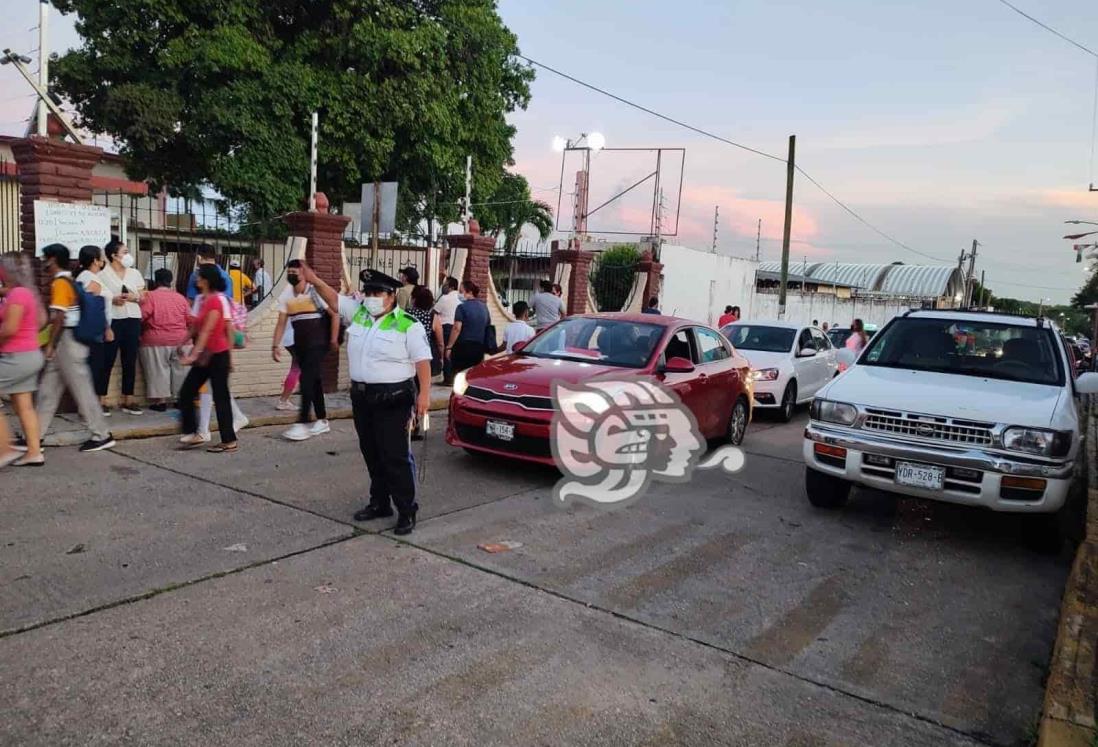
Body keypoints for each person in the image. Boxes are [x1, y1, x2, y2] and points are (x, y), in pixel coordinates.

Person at [301, 263, 431, 534]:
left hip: (394, 400)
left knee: (395, 456)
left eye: (378, 293)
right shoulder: (359, 314)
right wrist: (313, 278)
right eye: (368, 292)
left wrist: (425, 398)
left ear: (391, 296)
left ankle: (407, 510)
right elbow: (333, 299)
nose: (371, 297)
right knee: (372, 453)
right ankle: (380, 503)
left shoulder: (408, 324)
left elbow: (422, 363)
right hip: (363, 399)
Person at [35, 243, 115, 453]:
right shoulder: (68, 280)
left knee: (82, 389)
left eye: (45, 258)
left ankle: (102, 434)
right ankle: (34, 436)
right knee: (48, 391)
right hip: (68, 341)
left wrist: (50, 344)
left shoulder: (61, 283)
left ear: (53, 259)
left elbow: (59, 317)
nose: (43, 262)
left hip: (67, 340)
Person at [177, 264, 238, 453]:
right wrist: (183, 342)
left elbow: (207, 330)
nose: (196, 279)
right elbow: (195, 326)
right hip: (206, 355)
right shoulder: (201, 300)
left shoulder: (217, 301)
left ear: (207, 280)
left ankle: (229, 440)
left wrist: (193, 355)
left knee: (220, 398)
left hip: (218, 355)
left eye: (199, 276)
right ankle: (193, 432)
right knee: (186, 392)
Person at [276, 260, 339, 442]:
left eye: (296, 271)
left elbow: (334, 313)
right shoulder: (287, 295)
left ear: (304, 273)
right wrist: (275, 345)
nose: (293, 275)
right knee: (315, 380)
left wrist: (334, 339)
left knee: (306, 378)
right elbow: (281, 322)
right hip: (301, 345)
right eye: (290, 272)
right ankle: (322, 420)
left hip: (319, 343)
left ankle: (302, 422)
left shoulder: (314, 292)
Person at [0, 254, 46, 467]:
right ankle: (34, 453)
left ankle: (5, 450)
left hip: (15, 357)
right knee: (24, 405)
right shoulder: (26, 292)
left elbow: (9, 328)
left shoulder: (17, 294)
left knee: (23, 405)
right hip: (30, 355)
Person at [98, 238, 146, 415]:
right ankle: (101, 399)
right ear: (114, 256)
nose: (128, 256)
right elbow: (99, 297)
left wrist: (133, 297)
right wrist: (113, 299)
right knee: (107, 359)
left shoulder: (134, 273)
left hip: (132, 317)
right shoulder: (103, 275)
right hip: (113, 319)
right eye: (124, 252)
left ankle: (129, 398)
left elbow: (143, 295)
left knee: (130, 359)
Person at [139, 269, 192, 411]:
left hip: (156, 340)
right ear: (171, 281)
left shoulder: (150, 296)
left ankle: (160, 401)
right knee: (181, 370)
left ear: (155, 281)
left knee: (158, 370)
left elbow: (142, 316)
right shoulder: (181, 298)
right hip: (181, 340)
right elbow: (189, 320)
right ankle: (180, 399)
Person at [75, 244, 115, 415]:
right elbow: (93, 307)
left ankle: (90, 406)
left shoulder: (87, 277)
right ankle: (89, 408)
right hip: (95, 332)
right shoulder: (90, 279)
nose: (104, 261)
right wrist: (107, 328)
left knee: (93, 368)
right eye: (101, 258)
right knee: (94, 369)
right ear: (95, 261)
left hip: (94, 331)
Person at [446, 280, 490, 374]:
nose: (459, 294)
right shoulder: (484, 307)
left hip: (463, 347)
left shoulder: (461, 307)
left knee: (460, 376)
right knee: (474, 374)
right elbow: (487, 326)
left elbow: (457, 328)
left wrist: (449, 347)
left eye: (461, 291)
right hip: (479, 347)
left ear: (469, 292)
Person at [408, 285, 444, 377]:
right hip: (424, 358)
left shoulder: (405, 314)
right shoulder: (432, 317)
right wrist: (441, 357)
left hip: (407, 356)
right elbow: (440, 343)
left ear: (413, 299)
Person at [434, 276, 461, 384]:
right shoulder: (460, 298)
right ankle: (453, 377)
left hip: (445, 328)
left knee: (446, 353)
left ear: (451, 287)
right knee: (453, 353)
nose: (443, 287)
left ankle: (447, 379)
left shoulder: (444, 298)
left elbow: (434, 311)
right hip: (457, 328)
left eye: (445, 284)